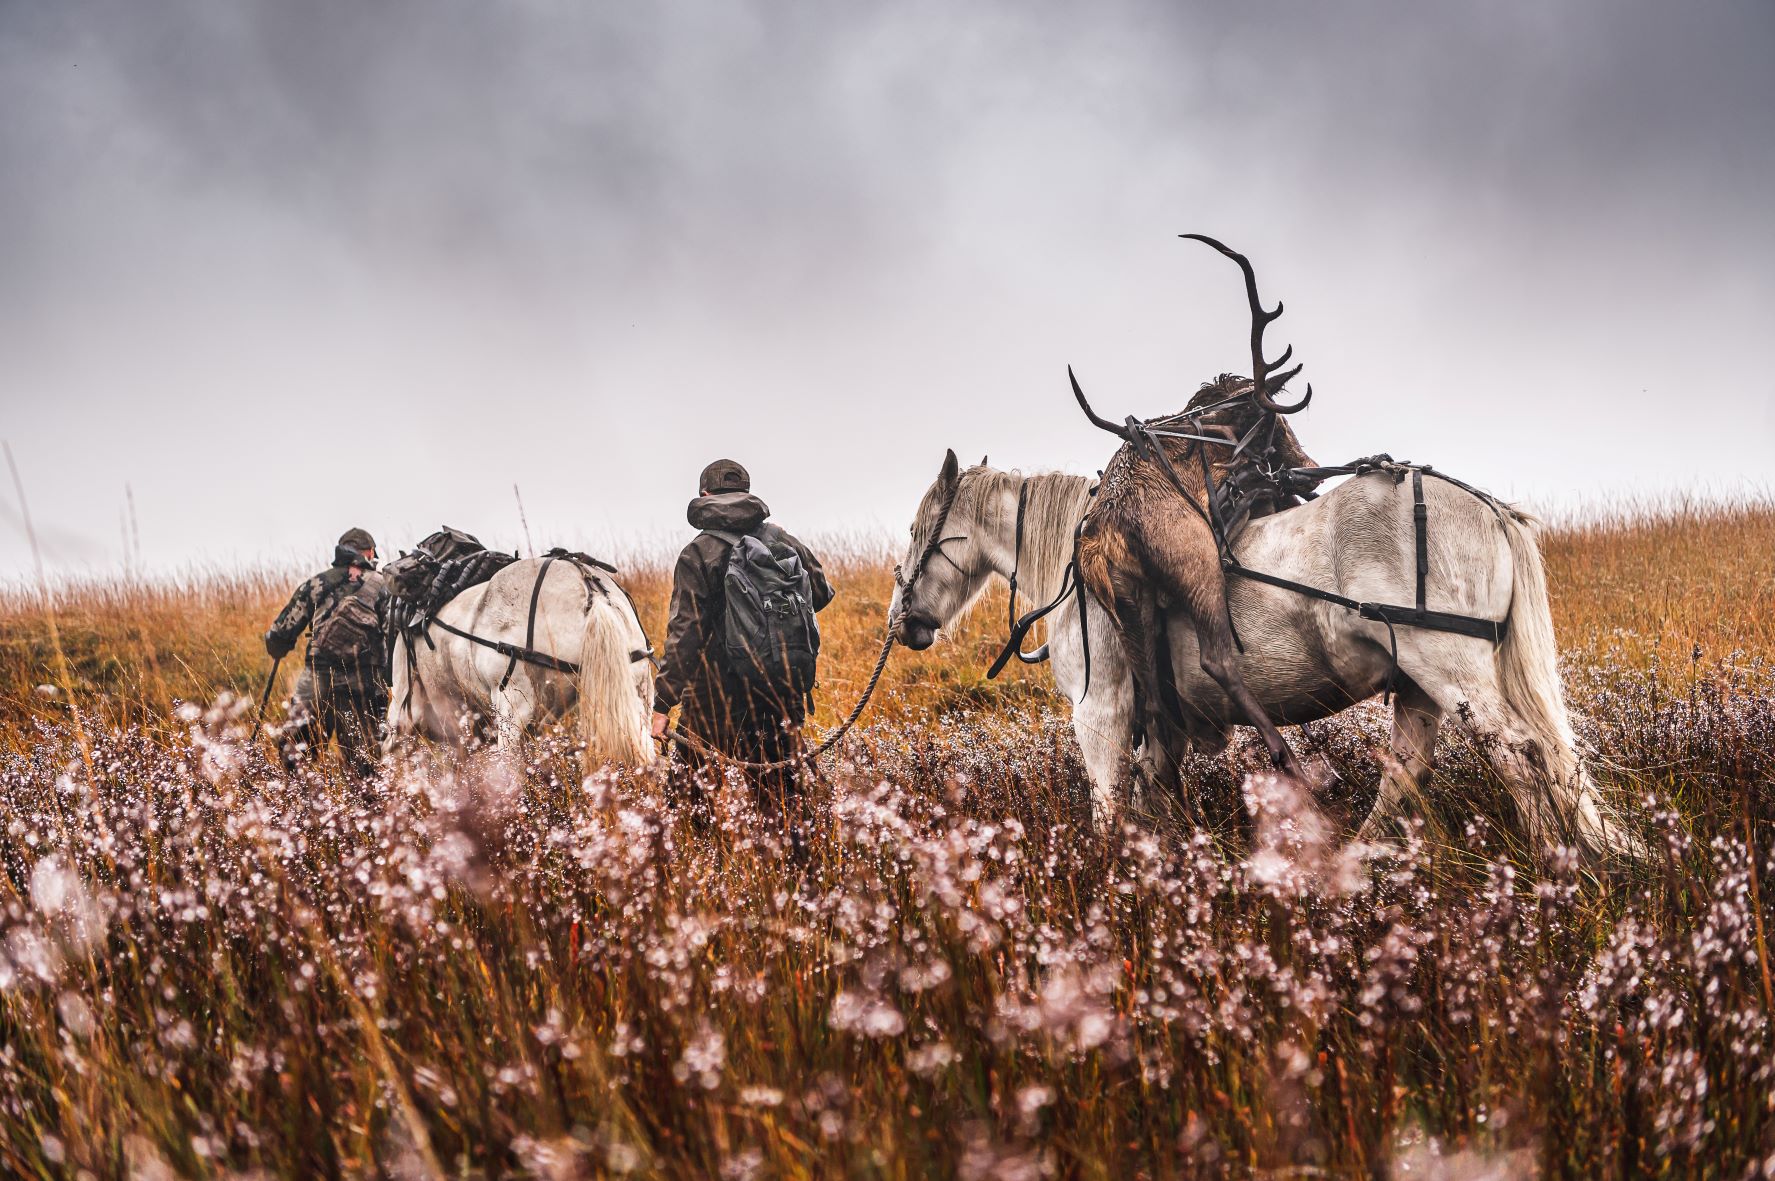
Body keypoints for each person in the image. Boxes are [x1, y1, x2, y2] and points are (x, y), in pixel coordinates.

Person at [652, 460, 834, 827]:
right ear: (747, 494)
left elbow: (685, 636)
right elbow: (822, 594)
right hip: (780, 691)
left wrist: (662, 704)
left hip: (712, 703)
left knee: (690, 804)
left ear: (704, 496)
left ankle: (701, 870)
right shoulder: (781, 539)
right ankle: (797, 871)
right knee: (783, 803)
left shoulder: (697, 553)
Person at [265, 527, 391, 776]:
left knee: (296, 758)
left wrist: (280, 647)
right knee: (364, 769)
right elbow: (393, 636)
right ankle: (365, 812)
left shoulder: (317, 584)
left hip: (316, 681)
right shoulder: (383, 588)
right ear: (369, 553)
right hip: (363, 685)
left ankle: (302, 809)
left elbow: (278, 635)